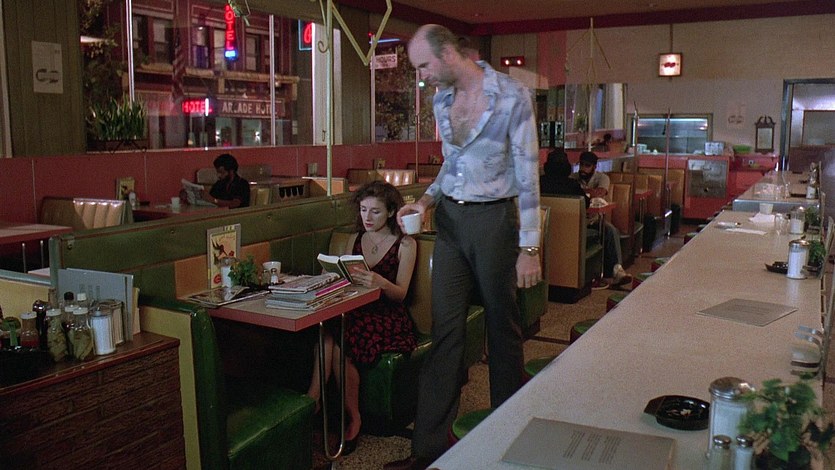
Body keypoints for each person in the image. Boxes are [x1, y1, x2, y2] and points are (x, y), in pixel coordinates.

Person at [386, 24, 542, 470]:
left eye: (423, 66)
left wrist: (530, 248)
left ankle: (505, 441)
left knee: (502, 328)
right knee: (446, 330)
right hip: (451, 222)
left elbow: (528, 173)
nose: (422, 77)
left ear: (448, 54)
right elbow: (452, 164)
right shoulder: (441, 99)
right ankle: (429, 449)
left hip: (494, 220)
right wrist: (425, 200)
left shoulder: (512, 96)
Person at [307, 181, 417, 455]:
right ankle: (317, 400)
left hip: (388, 314)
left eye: (375, 212)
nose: (367, 217)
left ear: (391, 212)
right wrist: (331, 276)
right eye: (363, 210)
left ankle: (345, 414)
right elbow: (346, 280)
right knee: (327, 327)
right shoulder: (354, 239)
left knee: (340, 336)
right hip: (356, 308)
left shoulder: (406, 244)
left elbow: (401, 294)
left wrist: (380, 282)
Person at [570, 151, 631, 287]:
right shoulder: (573, 178)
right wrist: (589, 193)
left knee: (610, 230)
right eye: (581, 165)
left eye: (587, 166)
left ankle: (617, 271)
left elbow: (600, 192)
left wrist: (582, 192)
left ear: (594, 167)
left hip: (594, 219)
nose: (583, 169)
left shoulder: (602, 178)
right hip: (575, 219)